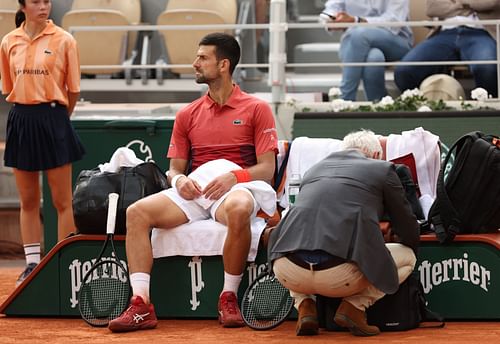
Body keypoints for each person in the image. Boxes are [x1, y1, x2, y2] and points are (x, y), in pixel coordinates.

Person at [108, 32, 278, 332]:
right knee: (136, 212)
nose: (194, 63)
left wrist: (233, 177)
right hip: (197, 190)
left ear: (224, 65)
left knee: (239, 209)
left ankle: (228, 298)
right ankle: (141, 305)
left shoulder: (257, 108)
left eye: (203, 58)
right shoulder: (187, 114)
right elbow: (174, 169)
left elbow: (267, 169)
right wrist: (179, 179)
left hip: (234, 188)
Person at [267, 129, 419, 337]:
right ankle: (354, 307)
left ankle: (305, 306)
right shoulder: (382, 169)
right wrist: (404, 240)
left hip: (287, 272)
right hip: (338, 277)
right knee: (407, 257)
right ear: (375, 155)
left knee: (299, 245)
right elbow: (408, 227)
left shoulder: (313, 171)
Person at [0, 0, 84, 286]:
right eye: (36, 1)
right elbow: (9, 88)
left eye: (47, 1)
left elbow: (73, 90)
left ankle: (61, 263)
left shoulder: (65, 40)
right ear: (22, 6)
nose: (43, 6)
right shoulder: (9, 41)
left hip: (54, 118)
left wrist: (57, 118)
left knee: (61, 200)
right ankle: (32, 264)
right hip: (21, 119)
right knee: (29, 200)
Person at [395, 0, 499, 98]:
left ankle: (486, 110)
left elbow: (491, 2)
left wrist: (454, 3)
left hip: (481, 33)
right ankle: (424, 108)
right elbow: (433, 8)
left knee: (487, 67)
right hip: (445, 34)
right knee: (404, 71)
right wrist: (469, 5)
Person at [320, 1, 413, 101]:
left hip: (396, 40)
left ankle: (345, 99)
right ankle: (378, 106)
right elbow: (329, 10)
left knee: (359, 33)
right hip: (354, 44)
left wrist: (356, 20)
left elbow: (393, 21)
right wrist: (332, 18)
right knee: (374, 57)